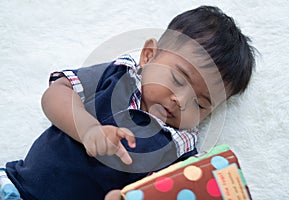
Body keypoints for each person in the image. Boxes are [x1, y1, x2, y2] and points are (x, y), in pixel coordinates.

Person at [0, 5, 255, 200]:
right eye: (177, 79)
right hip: (19, 187)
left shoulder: (181, 153)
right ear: (148, 56)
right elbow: (55, 94)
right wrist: (88, 129)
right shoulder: (119, 76)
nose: (181, 100)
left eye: (200, 104)